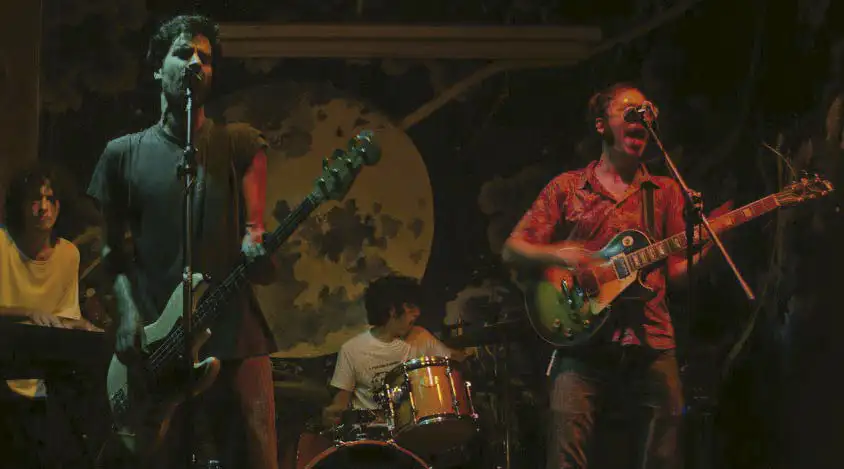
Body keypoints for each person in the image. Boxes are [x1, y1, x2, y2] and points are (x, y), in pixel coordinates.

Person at [86, 14, 278, 469]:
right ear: (158, 68)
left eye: (205, 58)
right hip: (158, 338)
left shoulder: (240, 143)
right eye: (183, 53)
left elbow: (255, 230)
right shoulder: (122, 154)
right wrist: (127, 314)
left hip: (234, 330)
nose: (195, 63)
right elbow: (113, 253)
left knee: (255, 454)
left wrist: (255, 241)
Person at [502, 83, 727, 469]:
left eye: (646, 111)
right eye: (629, 111)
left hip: (650, 337)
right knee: (567, 455)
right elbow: (512, 248)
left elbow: (676, 274)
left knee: (665, 452)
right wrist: (558, 252)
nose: (641, 117)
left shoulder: (667, 191)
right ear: (601, 125)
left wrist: (713, 249)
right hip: (579, 337)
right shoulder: (568, 187)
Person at [0, 164, 92, 468]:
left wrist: (82, 326)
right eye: (35, 199)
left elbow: (64, 316)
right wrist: (28, 312)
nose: (43, 208)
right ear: (20, 205)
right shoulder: (2, 244)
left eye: (50, 199)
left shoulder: (69, 254)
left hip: (45, 380)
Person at [324, 274, 468, 420]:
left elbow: (450, 363)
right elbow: (341, 400)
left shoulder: (420, 336)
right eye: (410, 308)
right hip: (375, 428)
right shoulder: (351, 350)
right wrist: (333, 414)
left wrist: (467, 354)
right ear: (392, 310)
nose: (417, 313)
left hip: (415, 424)